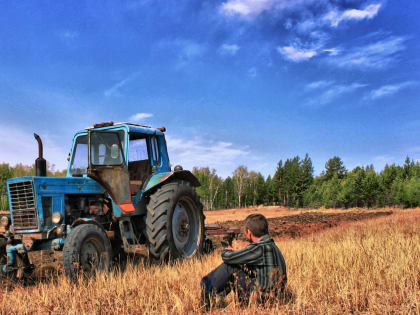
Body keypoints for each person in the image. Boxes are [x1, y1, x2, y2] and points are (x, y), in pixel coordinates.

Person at [200, 213, 287, 310]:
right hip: (275, 298)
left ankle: (206, 293)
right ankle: (217, 298)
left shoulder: (259, 248)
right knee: (240, 267)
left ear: (249, 232)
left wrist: (226, 250)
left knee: (231, 266)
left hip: (263, 300)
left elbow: (228, 258)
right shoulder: (272, 246)